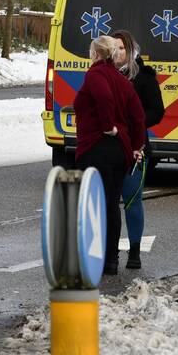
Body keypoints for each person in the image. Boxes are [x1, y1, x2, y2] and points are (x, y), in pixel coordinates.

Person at [73, 35, 145, 276]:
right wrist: (136, 145)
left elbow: (103, 98)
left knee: (93, 204)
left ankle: (95, 256)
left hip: (97, 146)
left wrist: (107, 126)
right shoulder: (123, 81)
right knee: (112, 205)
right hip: (120, 151)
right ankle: (111, 260)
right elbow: (138, 116)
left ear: (96, 54)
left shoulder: (95, 75)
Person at [112, 30, 164, 270]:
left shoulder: (144, 77)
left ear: (132, 50)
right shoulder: (104, 75)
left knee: (133, 200)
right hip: (109, 149)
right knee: (108, 203)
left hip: (135, 148)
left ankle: (134, 251)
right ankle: (109, 252)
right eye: (115, 48)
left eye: (123, 48)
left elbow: (158, 111)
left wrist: (137, 120)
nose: (119, 53)